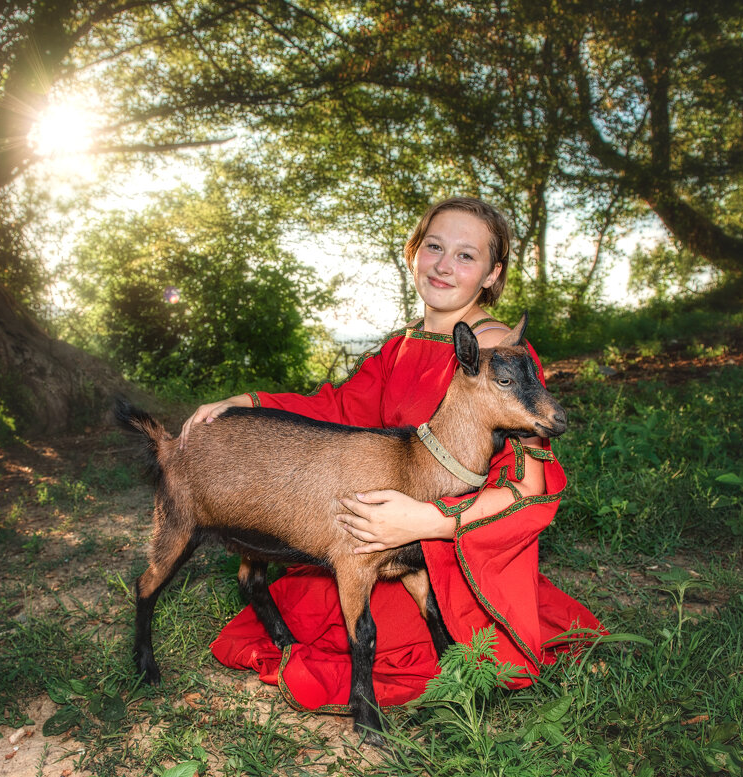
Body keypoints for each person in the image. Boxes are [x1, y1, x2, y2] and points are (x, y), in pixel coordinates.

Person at [181, 196, 602, 713]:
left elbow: (528, 492)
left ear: (492, 275)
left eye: (466, 256)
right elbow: (337, 406)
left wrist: (423, 520)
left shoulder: (501, 358)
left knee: (382, 643)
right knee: (316, 594)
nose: (445, 265)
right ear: (413, 253)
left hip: (452, 548)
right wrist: (248, 403)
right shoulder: (401, 346)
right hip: (382, 536)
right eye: (434, 247)